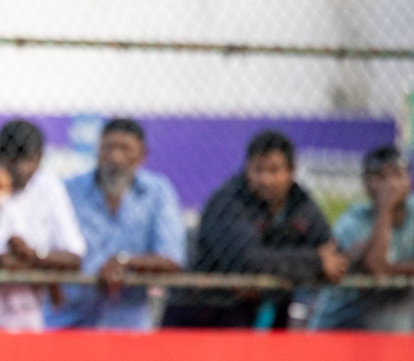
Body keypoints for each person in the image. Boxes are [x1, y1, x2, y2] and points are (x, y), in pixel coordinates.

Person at [164, 129, 346, 329]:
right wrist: (314, 262)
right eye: (258, 170)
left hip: (271, 313)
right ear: (247, 168)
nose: (265, 179)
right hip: (208, 315)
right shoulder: (227, 202)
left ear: (291, 171)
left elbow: (334, 257)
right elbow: (247, 262)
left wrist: (275, 273)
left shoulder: (301, 204)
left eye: (274, 171)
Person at [46, 118, 185, 330]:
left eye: (125, 149)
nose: (115, 157)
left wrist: (125, 263)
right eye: (108, 148)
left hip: (128, 317)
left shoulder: (158, 193)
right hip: (70, 315)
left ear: (142, 155)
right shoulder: (69, 190)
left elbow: (171, 258)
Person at [0, 119, 85, 330]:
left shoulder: (49, 189)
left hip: (30, 318)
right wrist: (46, 273)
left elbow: (74, 257)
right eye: (12, 160)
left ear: (39, 159)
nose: (20, 169)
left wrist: (31, 255)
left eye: (28, 160)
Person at [311, 146, 414, 331]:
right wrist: (385, 209)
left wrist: (389, 269)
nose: (390, 184)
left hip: (393, 322)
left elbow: (382, 269)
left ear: (409, 180)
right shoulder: (352, 222)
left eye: (397, 175)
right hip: (343, 324)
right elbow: (377, 270)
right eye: (380, 177)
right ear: (365, 183)